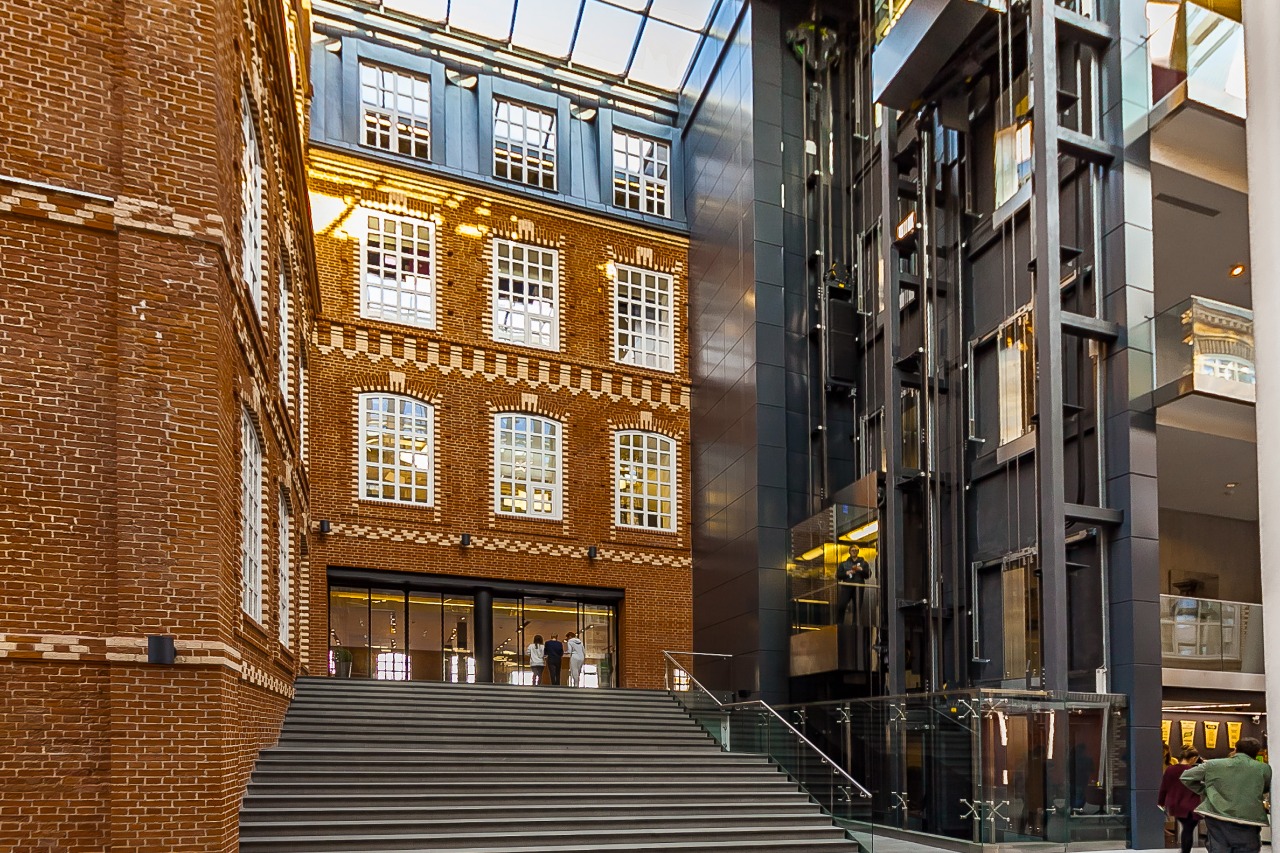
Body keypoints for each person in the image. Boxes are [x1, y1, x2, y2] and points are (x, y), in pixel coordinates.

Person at [1180, 736, 1271, 853]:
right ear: (1257, 752)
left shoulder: (1213, 764)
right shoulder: (1264, 768)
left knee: (1219, 848)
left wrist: (1207, 791)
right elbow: (1265, 788)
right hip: (1249, 819)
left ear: (1235, 749)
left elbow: (1186, 777)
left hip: (1217, 815)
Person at [1159, 748, 1203, 853]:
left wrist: (1161, 802)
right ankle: (1185, 851)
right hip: (1190, 805)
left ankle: (1184, 850)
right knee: (1188, 830)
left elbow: (1164, 787)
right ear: (1193, 758)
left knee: (1186, 829)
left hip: (1175, 804)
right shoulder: (1192, 771)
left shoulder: (1170, 769)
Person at [835, 546, 871, 624]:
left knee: (857, 608)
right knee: (842, 605)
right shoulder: (844, 564)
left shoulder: (864, 563)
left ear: (858, 551)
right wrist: (846, 573)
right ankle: (839, 624)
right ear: (849, 552)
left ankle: (855, 625)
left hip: (858, 587)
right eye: (852, 550)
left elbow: (868, 575)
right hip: (847, 587)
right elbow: (838, 575)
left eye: (855, 550)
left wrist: (861, 570)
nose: (854, 551)